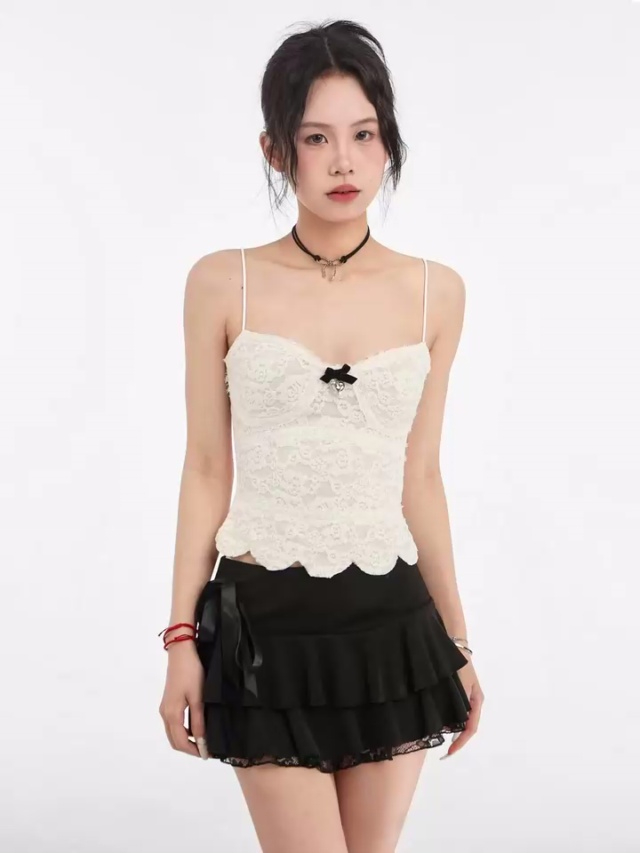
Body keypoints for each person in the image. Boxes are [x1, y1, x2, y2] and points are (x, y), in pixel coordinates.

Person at [158, 17, 484, 853]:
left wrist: (456, 641)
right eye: (316, 137)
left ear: (388, 143)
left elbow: (422, 477)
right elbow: (205, 467)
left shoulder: (436, 293)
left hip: (391, 624)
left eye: (364, 135)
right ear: (276, 151)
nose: (344, 161)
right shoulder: (221, 282)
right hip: (262, 624)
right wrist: (180, 639)